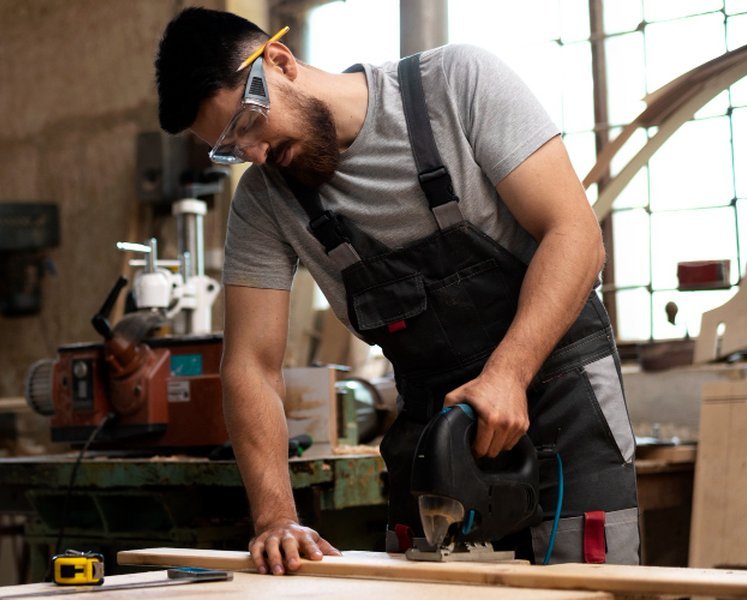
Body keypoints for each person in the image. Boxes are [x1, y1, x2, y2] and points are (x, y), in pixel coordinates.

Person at [154, 7, 640, 575]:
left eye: (247, 125)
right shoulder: (265, 204)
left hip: (562, 400)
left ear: (279, 63)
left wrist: (509, 373)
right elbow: (251, 367)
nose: (255, 156)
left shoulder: (457, 84)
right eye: (231, 149)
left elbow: (576, 235)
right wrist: (275, 518)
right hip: (436, 428)